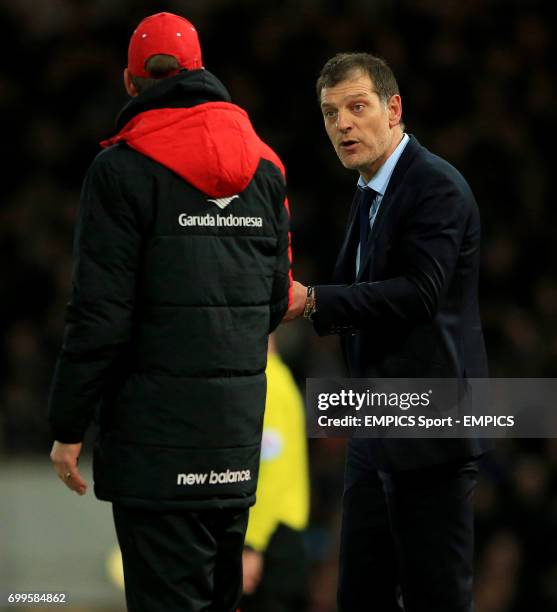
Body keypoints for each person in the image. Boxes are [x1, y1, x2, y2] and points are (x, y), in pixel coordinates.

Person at [48, 12, 291, 612]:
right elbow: (274, 300)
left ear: (131, 84)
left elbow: (100, 314)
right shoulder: (267, 169)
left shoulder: (120, 169)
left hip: (155, 451)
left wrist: (68, 425)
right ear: (201, 71)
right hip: (234, 449)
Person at [285, 53, 490, 611]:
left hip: (431, 431)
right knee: (360, 597)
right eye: (330, 114)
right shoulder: (369, 190)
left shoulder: (435, 186)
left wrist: (313, 302)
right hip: (376, 427)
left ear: (393, 108)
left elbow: (420, 294)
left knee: (436, 599)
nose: (342, 124)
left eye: (357, 107)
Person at [241, 334, 310, 611]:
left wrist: (251, 546)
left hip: (271, 542)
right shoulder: (280, 378)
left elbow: (269, 471)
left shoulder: (265, 384)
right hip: (279, 537)